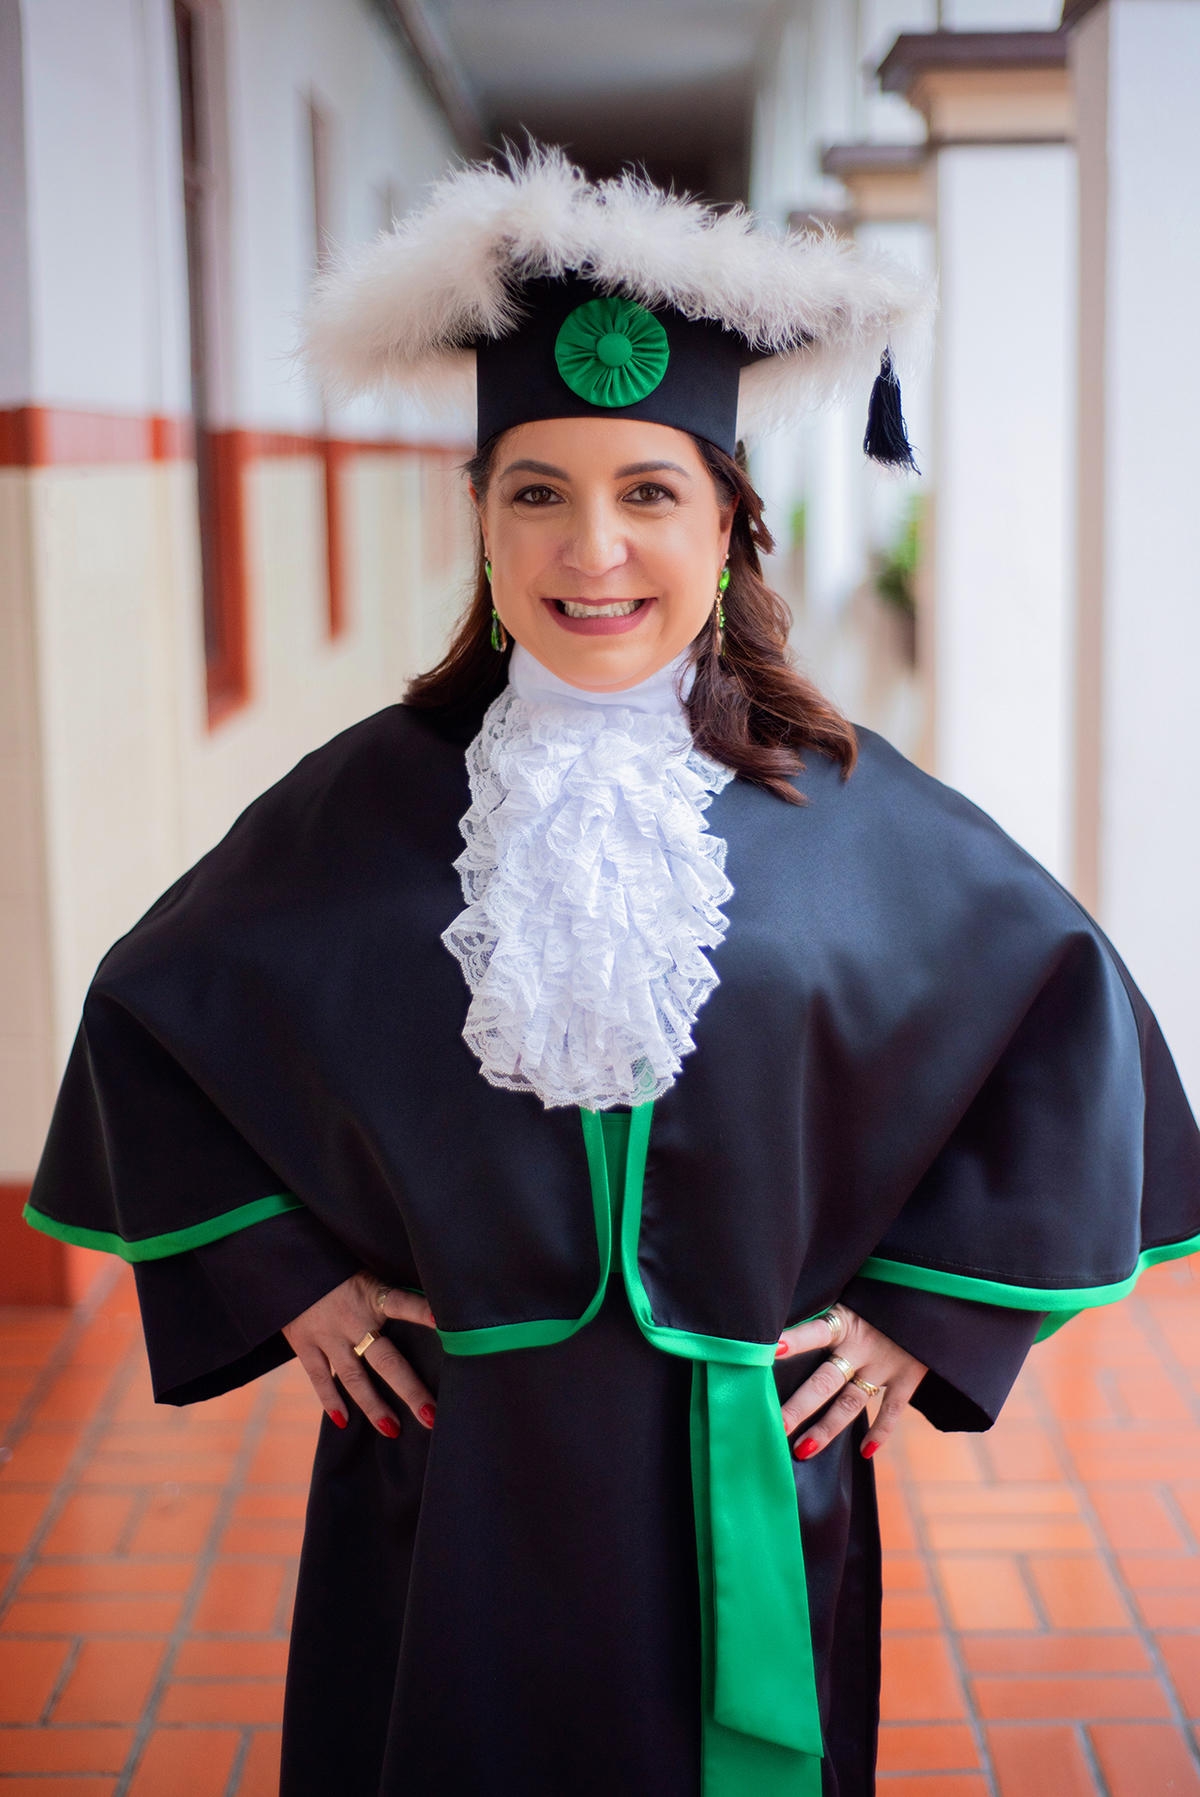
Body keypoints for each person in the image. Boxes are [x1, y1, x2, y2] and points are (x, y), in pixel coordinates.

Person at [25, 149, 1200, 1797]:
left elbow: (1065, 1020)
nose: (595, 549)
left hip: (747, 1486)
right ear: (483, 523)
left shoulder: (851, 809)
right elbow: (150, 1017)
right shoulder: (362, 806)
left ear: (727, 523)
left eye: (650, 490)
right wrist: (284, 1273)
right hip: (444, 1489)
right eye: (537, 491)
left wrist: (925, 1314)